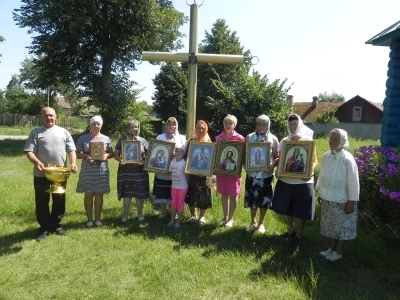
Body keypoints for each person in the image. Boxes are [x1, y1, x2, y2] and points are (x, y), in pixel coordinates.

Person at [24, 107, 78, 241]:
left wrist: (73, 163)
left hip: (60, 175)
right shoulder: (36, 132)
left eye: (51, 116)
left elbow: (71, 150)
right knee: (42, 202)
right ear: (42, 117)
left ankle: (56, 225)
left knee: (59, 201)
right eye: (46, 116)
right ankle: (44, 228)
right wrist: (37, 162)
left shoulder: (64, 132)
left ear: (56, 117)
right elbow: (29, 151)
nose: (49, 118)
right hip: (41, 174)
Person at [316, 128, 359, 262]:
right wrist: (321, 192)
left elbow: (353, 181)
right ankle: (331, 248)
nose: (332, 141)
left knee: (341, 227)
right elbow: (322, 175)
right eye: (331, 138)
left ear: (342, 141)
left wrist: (351, 201)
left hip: (342, 199)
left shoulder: (347, 159)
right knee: (331, 225)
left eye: (335, 139)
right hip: (329, 197)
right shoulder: (326, 156)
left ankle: (338, 251)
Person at [271, 113, 318, 240]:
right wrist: (278, 170)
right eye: (290, 124)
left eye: (295, 124)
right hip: (286, 180)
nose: (292, 126)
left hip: (303, 181)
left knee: (301, 208)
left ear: (300, 124)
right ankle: (291, 228)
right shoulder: (284, 142)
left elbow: (314, 161)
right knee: (287, 206)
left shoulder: (308, 142)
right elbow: (281, 160)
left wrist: (309, 172)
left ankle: (299, 232)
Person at [76, 116, 113, 227]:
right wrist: (86, 156)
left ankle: (97, 219)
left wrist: (106, 155)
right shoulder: (83, 138)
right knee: (88, 193)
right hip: (88, 169)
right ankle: (89, 219)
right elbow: (76, 154)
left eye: (98, 124)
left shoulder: (106, 139)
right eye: (94, 124)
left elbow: (111, 153)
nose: (96, 126)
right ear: (90, 125)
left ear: (101, 125)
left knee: (99, 194)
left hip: (101, 169)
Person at [244, 114, 279, 234]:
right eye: (259, 123)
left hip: (266, 175)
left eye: (264, 124)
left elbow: (277, 157)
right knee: (252, 199)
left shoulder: (273, 139)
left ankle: (261, 223)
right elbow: (245, 154)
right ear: (256, 125)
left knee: (264, 200)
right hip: (252, 174)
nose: (261, 126)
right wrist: (246, 165)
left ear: (268, 124)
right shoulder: (250, 137)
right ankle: (253, 222)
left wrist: (272, 166)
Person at [114, 120, 150, 223]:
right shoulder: (122, 139)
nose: (134, 129)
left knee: (140, 193)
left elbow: (149, 155)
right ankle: (125, 214)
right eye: (132, 127)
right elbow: (116, 153)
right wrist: (120, 160)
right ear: (128, 128)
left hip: (140, 171)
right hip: (125, 170)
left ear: (139, 128)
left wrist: (143, 162)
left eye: (136, 127)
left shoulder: (142, 141)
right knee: (126, 193)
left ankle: (140, 213)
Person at [215, 114, 245, 227]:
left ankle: (231, 219)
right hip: (222, 172)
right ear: (223, 124)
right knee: (224, 194)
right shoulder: (219, 139)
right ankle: (225, 217)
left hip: (234, 173)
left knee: (233, 194)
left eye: (230, 123)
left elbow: (242, 156)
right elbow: (216, 156)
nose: (228, 125)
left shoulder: (240, 139)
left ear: (234, 125)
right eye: (226, 123)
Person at [153, 117, 186, 218]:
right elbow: (154, 151)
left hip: (176, 169)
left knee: (175, 191)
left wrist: (176, 153)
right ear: (166, 126)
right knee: (162, 190)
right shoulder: (160, 137)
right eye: (169, 124)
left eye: (174, 124)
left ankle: (174, 212)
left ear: (176, 126)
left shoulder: (181, 138)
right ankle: (163, 211)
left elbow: (184, 152)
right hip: (162, 169)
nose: (172, 126)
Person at [185, 120, 213, 224]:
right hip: (192, 174)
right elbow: (187, 156)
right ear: (195, 129)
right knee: (191, 193)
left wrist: (205, 169)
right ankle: (193, 215)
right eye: (199, 128)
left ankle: (202, 216)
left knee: (204, 194)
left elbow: (210, 160)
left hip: (205, 175)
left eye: (203, 128)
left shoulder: (209, 143)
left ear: (206, 129)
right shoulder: (191, 141)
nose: (201, 130)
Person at [167, 145, 188, 228]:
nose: (179, 153)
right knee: (173, 203)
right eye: (177, 151)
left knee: (180, 203)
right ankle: (172, 220)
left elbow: (187, 176)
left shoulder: (185, 162)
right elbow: (170, 172)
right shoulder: (172, 162)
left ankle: (178, 221)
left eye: (181, 151)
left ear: (183, 153)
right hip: (174, 186)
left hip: (182, 187)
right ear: (174, 152)